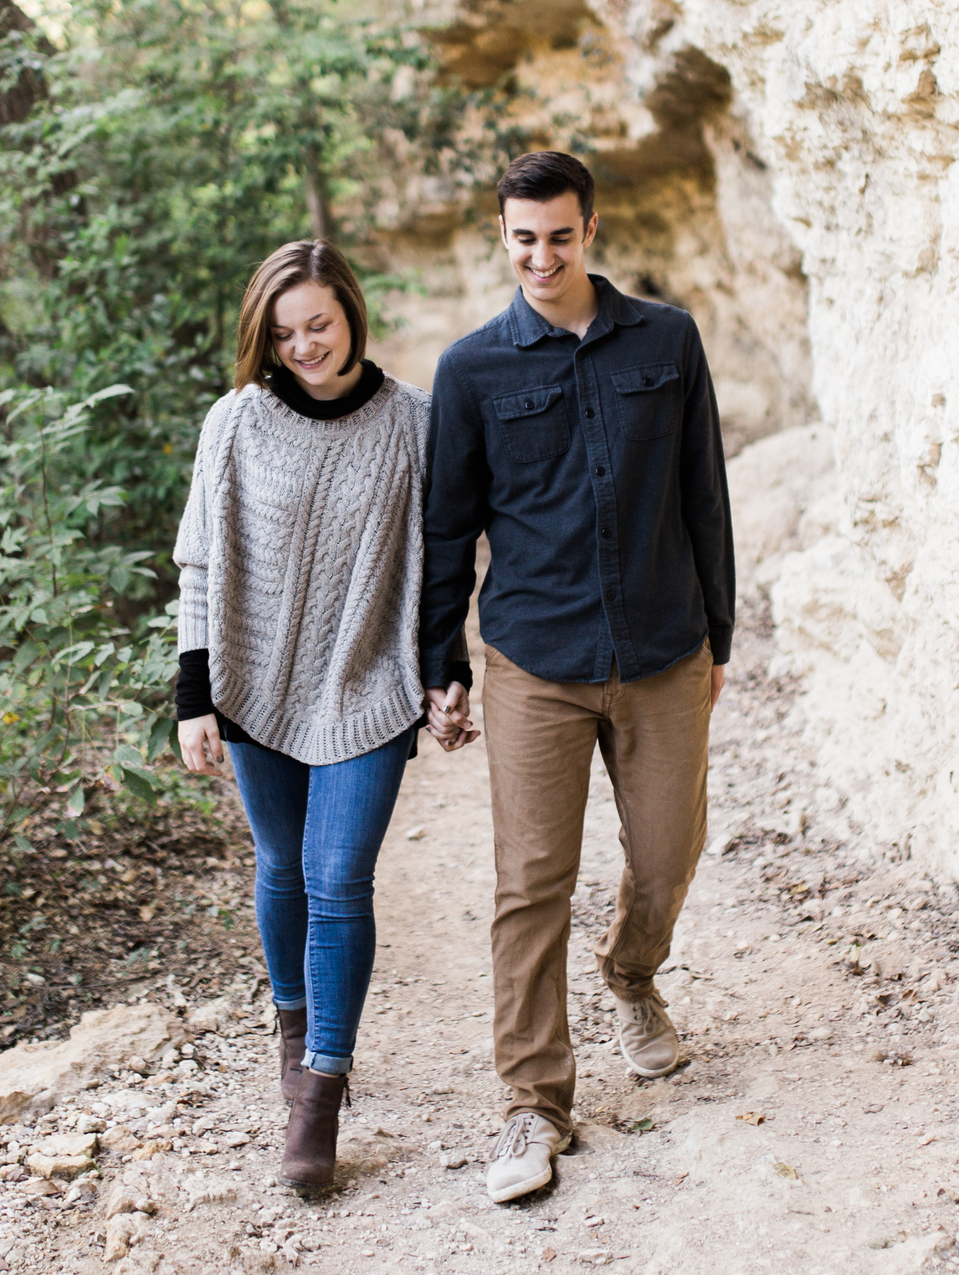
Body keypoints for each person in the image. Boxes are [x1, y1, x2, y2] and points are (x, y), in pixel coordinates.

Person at [420, 151, 734, 1204]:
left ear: (589, 230)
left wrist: (719, 636)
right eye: (523, 238)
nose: (541, 256)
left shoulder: (667, 338)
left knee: (667, 849)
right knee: (531, 882)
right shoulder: (472, 370)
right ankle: (533, 1102)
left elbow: (704, 494)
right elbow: (446, 526)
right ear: (501, 237)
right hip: (533, 658)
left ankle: (633, 974)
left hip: (660, 647)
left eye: (559, 235)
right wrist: (441, 661)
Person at [173, 239, 474, 1189]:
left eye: (320, 324)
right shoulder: (235, 422)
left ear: (350, 312)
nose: (304, 345)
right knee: (279, 866)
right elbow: (199, 564)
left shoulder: (413, 422)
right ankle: (292, 1023)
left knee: (338, 876)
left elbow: (442, 566)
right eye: (284, 331)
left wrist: (443, 670)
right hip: (256, 681)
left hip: (363, 683)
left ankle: (321, 1089)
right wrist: (192, 698)